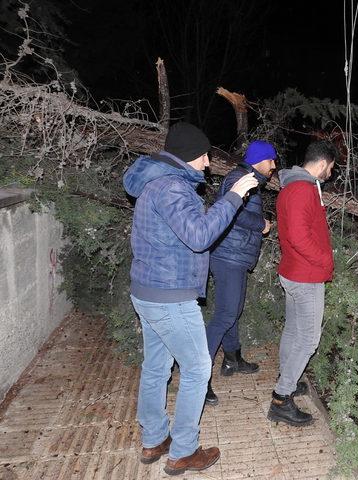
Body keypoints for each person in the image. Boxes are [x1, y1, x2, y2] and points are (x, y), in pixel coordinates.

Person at [123, 122, 258, 475]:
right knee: (198, 369)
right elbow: (199, 236)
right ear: (190, 156)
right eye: (204, 156)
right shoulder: (172, 187)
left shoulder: (157, 182)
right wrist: (234, 196)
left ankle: (154, 438)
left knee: (156, 367)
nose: (208, 163)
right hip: (169, 296)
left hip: (149, 291)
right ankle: (183, 450)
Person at [267, 140, 337, 426]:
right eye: (330, 168)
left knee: (294, 331)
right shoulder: (301, 190)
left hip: (295, 271)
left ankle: (288, 378)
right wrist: (325, 260)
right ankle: (281, 399)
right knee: (308, 339)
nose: (330, 174)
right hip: (305, 275)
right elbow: (298, 237)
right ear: (321, 164)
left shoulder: (294, 187)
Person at [204, 140, 277, 406]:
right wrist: (262, 224)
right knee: (225, 315)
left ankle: (232, 358)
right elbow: (233, 212)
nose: (274, 166)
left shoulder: (247, 178)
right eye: (272, 160)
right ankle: (200, 378)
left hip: (234, 256)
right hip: (228, 257)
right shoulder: (240, 178)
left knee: (232, 311)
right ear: (260, 159)